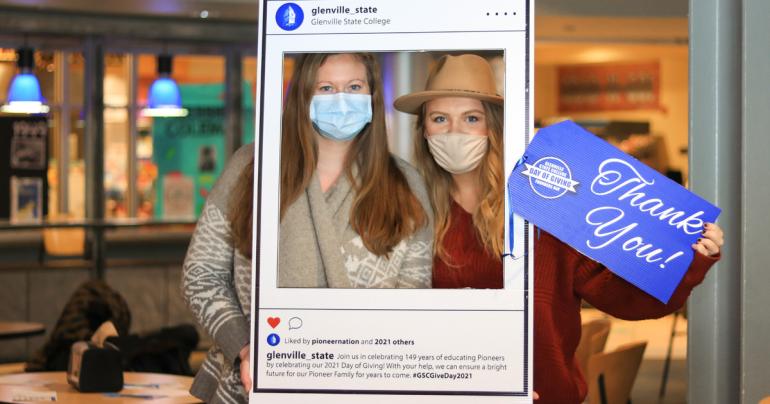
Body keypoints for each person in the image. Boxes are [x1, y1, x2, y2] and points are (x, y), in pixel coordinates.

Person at [394, 53, 724, 404]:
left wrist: (686, 260)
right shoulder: (410, 215)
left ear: (493, 126)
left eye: (471, 118)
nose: (454, 131)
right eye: (440, 118)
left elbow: (620, 296)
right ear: (424, 130)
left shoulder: (544, 209)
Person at [182, 52, 433, 404]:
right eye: (326, 87)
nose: (341, 99)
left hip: (365, 385)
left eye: (354, 86)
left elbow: (413, 298)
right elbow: (201, 273)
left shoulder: (407, 184)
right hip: (250, 381)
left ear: (372, 95)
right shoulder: (251, 168)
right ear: (303, 96)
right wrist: (244, 347)